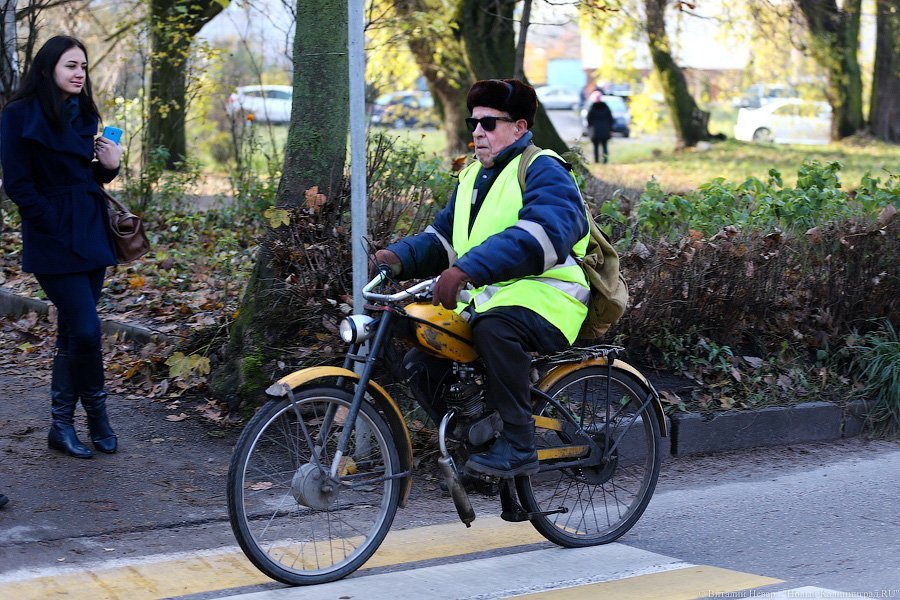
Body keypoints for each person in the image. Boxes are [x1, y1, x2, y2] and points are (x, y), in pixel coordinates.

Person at [374, 79, 589, 477]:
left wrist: (468, 270)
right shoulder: (473, 176)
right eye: (473, 123)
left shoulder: (545, 170)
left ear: (519, 128)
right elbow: (444, 240)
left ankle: (520, 444)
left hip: (552, 298)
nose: (477, 132)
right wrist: (397, 258)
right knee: (422, 352)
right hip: (496, 297)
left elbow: (544, 234)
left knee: (494, 328)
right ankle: (475, 435)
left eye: (489, 123)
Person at [0, 35, 123, 459]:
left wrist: (110, 166)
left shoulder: (85, 113)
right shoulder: (18, 116)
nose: (79, 74)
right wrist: (52, 224)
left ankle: (61, 426)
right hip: (53, 237)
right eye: (71, 65)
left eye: (84, 67)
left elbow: (84, 178)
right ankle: (97, 416)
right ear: (48, 67)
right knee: (86, 329)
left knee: (75, 330)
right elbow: (18, 184)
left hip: (90, 232)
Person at [586, 98, 613, 164]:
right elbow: (611, 119)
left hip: (595, 130)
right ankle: (605, 160)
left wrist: (590, 126)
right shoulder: (606, 108)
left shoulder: (593, 108)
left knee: (596, 146)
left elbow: (589, 119)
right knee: (605, 146)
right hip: (605, 130)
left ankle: (596, 160)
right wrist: (610, 128)